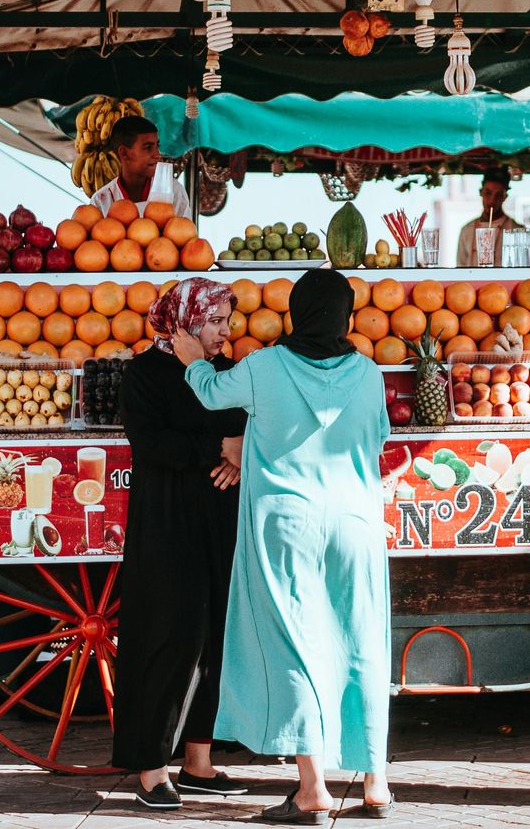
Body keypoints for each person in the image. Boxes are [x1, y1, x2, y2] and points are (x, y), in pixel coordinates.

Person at [174, 267, 394, 824]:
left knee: (296, 642)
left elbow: (209, 393)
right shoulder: (367, 373)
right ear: (346, 316)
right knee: (364, 639)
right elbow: (377, 437)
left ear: (295, 313)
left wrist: (191, 359)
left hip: (287, 523)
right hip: (355, 522)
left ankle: (313, 788)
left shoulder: (264, 366)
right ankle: (376, 783)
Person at [111, 277, 250, 810]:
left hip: (220, 518)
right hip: (168, 525)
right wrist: (220, 447)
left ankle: (198, 761)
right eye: (215, 321)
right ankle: (150, 768)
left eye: (225, 321)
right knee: (169, 638)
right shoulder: (143, 374)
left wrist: (238, 460)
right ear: (185, 321)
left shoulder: (223, 373)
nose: (224, 331)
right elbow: (153, 444)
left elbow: (246, 428)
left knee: (216, 639)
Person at [91, 115, 192, 218]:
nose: (157, 154)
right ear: (124, 153)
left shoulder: (173, 191)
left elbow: (187, 231)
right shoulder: (101, 201)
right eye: (148, 147)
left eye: (157, 146)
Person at [455, 167, 521, 266]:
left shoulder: (516, 230)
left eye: (498, 195)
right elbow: (460, 266)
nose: (492, 200)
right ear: (481, 192)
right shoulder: (466, 230)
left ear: (505, 197)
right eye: (488, 193)